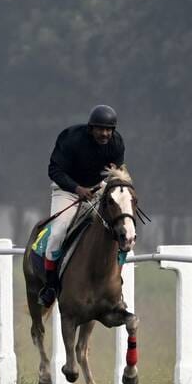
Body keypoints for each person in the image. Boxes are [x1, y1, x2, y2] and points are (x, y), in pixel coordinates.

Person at [37, 104, 125, 306]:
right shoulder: (71, 138)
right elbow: (54, 170)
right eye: (100, 129)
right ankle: (50, 286)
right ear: (90, 128)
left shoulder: (117, 143)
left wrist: (106, 188)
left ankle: (114, 284)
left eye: (109, 129)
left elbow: (116, 171)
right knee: (59, 230)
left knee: (118, 229)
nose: (105, 133)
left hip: (97, 189)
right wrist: (77, 189)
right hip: (66, 190)